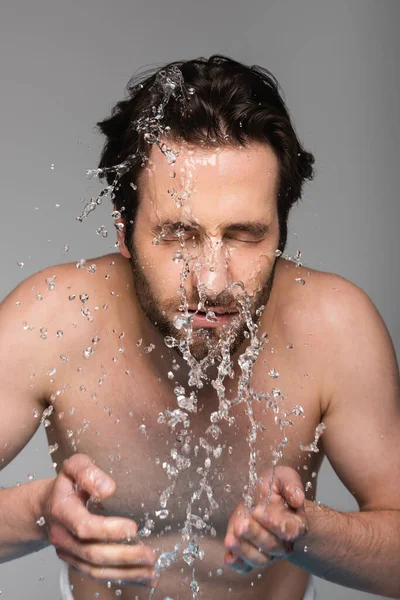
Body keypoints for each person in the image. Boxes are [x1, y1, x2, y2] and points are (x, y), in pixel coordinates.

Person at [0, 55, 399, 600]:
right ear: (125, 233)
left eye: (244, 235)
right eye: (178, 234)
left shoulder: (336, 329)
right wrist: (37, 515)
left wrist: (306, 533)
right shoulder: (52, 318)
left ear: (281, 229)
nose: (212, 280)